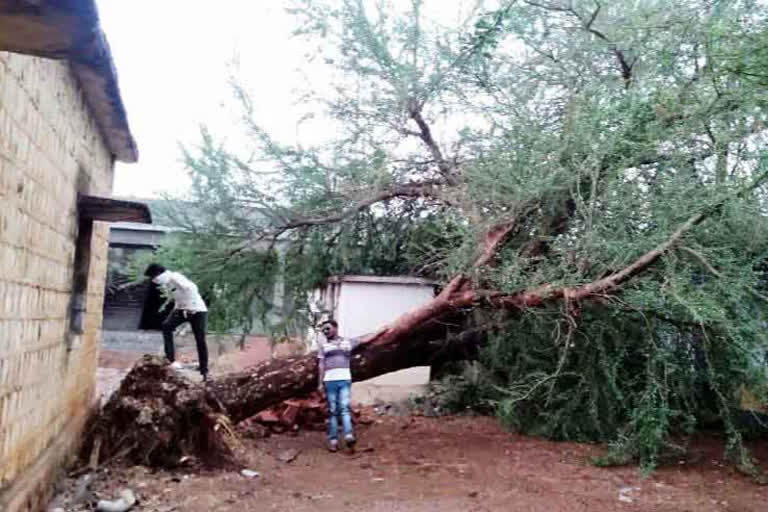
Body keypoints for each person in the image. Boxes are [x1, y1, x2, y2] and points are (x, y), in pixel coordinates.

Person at [144, 263, 209, 381]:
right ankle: (170, 360)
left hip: (197, 310)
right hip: (181, 309)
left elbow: (192, 288)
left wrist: (191, 307)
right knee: (166, 326)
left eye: (153, 277)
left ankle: (204, 371)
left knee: (200, 340)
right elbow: (178, 297)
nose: (153, 281)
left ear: (159, 274)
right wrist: (177, 310)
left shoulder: (175, 277)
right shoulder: (168, 283)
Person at [317, 319, 358, 452]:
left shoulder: (347, 342)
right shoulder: (323, 346)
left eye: (327, 328)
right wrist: (320, 383)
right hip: (330, 381)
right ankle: (333, 441)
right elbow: (321, 365)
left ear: (335, 328)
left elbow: (365, 340)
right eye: (323, 329)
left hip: (345, 380)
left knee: (344, 408)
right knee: (333, 411)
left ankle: (348, 436)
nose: (325, 331)